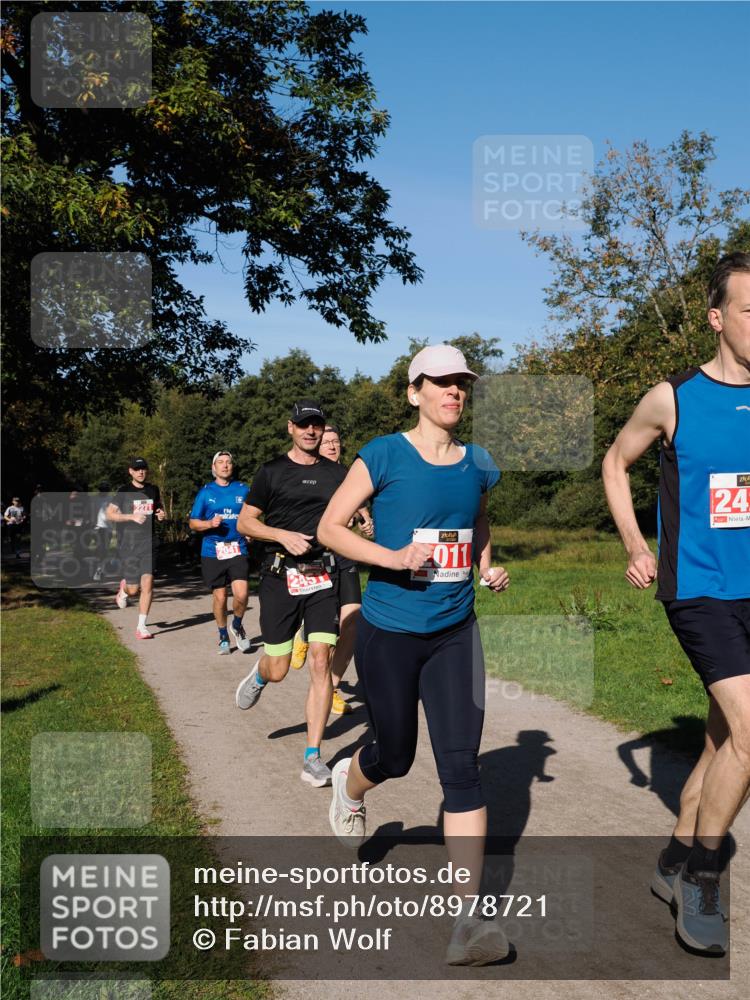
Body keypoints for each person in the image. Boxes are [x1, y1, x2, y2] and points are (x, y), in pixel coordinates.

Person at [318, 343, 511, 966]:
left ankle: (468, 922)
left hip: (456, 632)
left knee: (462, 768)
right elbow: (330, 528)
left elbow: (477, 522)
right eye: (442, 382)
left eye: (462, 383)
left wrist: (486, 564)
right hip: (390, 629)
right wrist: (394, 558)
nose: (454, 391)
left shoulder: (479, 462)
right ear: (414, 391)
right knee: (395, 755)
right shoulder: (383, 454)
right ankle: (350, 790)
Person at [602, 251, 750, 955]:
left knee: (727, 739)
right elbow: (614, 461)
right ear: (719, 319)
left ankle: (670, 858)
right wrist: (636, 544)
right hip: (698, 590)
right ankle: (702, 874)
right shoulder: (675, 398)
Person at [234, 399, 347, 787]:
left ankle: (313, 756)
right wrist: (280, 534)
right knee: (280, 668)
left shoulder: (338, 474)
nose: (311, 431)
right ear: (290, 428)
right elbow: (246, 521)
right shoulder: (271, 472)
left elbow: (353, 511)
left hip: (322, 576)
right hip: (280, 576)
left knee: (320, 659)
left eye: (316, 425)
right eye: (303, 425)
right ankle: (262, 675)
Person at [291, 424, 374, 715]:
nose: (332, 446)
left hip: (344, 555)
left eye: (337, 441)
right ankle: (303, 633)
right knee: (325, 634)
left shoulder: (351, 475)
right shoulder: (309, 475)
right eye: (327, 442)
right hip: (316, 557)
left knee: (352, 621)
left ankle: (334, 687)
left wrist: (365, 519)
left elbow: (361, 506)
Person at [189, 451, 252, 655]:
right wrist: (209, 523)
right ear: (213, 468)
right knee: (221, 597)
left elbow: (251, 515)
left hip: (237, 548)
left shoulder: (243, 489)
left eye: (228, 462)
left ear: (232, 467)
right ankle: (223, 634)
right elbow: (193, 522)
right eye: (220, 462)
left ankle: (237, 625)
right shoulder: (206, 492)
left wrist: (250, 530)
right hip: (212, 551)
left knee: (242, 594)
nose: (225, 465)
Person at [107, 458, 166, 639]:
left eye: (144, 469)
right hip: (128, 544)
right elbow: (110, 514)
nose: (141, 472)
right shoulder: (123, 491)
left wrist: (161, 514)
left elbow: (159, 510)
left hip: (148, 542)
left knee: (148, 582)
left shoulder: (153, 490)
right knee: (134, 590)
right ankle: (124, 590)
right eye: (137, 469)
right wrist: (131, 517)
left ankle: (142, 626)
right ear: (130, 471)